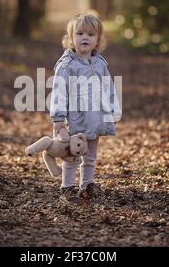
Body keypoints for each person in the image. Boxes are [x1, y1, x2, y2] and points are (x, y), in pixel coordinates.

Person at [50, 13, 122, 204]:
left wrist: (113, 110)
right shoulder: (67, 65)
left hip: (94, 118)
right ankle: (67, 188)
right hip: (74, 120)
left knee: (90, 156)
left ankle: (87, 185)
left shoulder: (100, 63)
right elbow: (59, 93)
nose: (85, 37)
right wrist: (58, 119)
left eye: (90, 34)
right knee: (72, 156)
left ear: (98, 40)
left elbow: (108, 88)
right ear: (71, 37)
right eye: (80, 33)